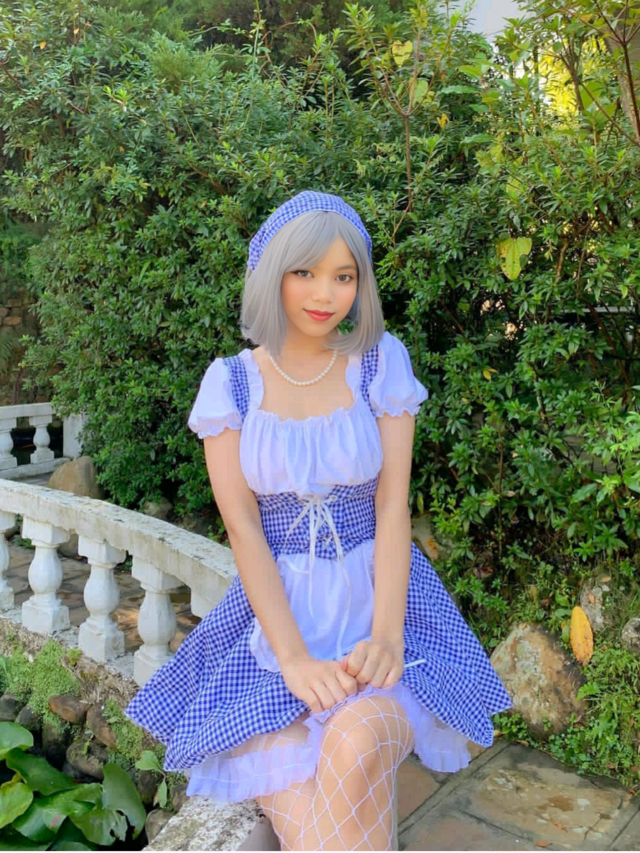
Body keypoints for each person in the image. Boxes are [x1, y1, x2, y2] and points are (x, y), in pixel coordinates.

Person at [124, 190, 513, 851]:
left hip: (375, 612)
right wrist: (296, 660)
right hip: (279, 631)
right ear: (271, 273)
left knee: (358, 741)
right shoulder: (231, 384)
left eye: (344, 275)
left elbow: (391, 505)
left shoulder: (380, 364)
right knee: (346, 824)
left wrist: (386, 637)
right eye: (304, 271)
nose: (325, 293)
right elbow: (244, 529)